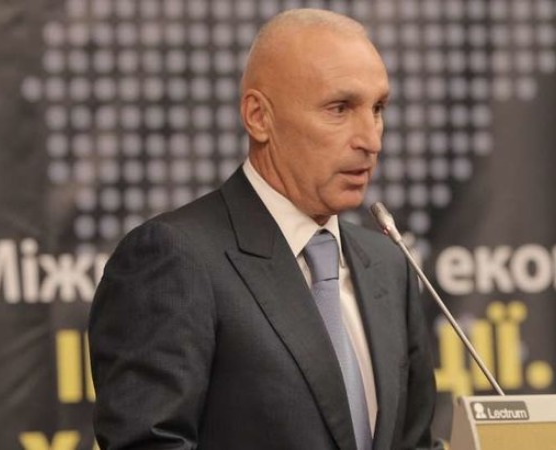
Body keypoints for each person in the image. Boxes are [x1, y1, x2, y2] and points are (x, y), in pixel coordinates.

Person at [89, 8, 440, 450]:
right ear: (259, 117)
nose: (371, 139)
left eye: (378, 109)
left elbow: (414, 441)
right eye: (339, 108)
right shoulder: (176, 258)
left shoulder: (388, 264)